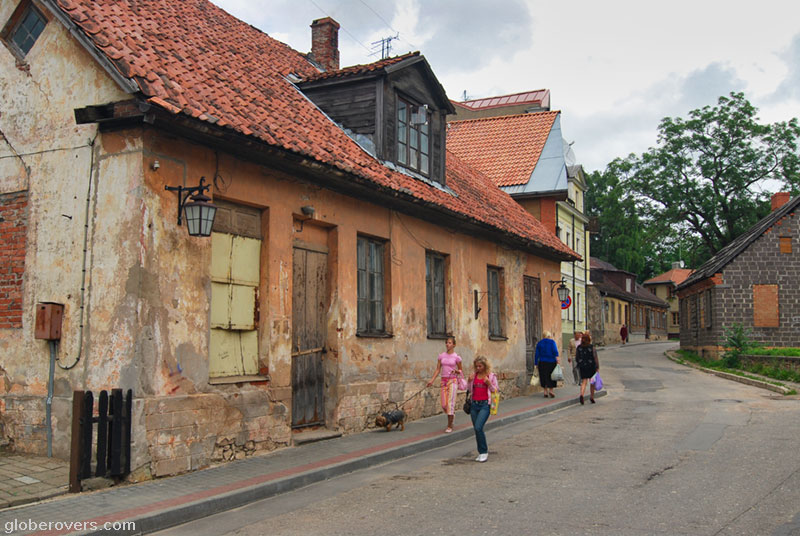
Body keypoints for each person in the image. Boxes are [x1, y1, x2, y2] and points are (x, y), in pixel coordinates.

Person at [426, 336, 463, 433]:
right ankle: (452, 415)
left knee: (450, 404)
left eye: (450, 343)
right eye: (447, 342)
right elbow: (438, 369)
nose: (447, 344)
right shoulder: (441, 356)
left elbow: (460, 370)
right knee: (443, 405)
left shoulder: (457, 357)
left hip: (452, 381)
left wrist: (456, 371)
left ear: (454, 345)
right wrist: (432, 380)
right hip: (443, 381)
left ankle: (450, 425)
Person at [467, 356, 498, 462]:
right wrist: (469, 381)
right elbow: (469, 389)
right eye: (476, 366)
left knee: (478, 427)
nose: (478, 368)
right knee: (476, 429)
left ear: (485, 366)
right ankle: (481, 452)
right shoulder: (474, 376)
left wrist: (489, 383)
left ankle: (484, 451)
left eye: (480, 366)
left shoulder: (491, 376)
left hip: (485, 405)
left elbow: (495, 390)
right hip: (474, 404)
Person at [534, 331, 561, 398]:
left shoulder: (539, 343)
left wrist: (536, 363)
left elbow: (537, 354)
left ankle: (545, 392)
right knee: (551, 376)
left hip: (542, 362)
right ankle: (551, 391)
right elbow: (555, 351)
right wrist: (557, 359)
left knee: (543, 376)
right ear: (549, 336)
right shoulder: (552, 342)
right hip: (551, 362)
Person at [575, 332, 600, 405]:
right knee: (592, 382)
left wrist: (580, 363)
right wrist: (597, 367)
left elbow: (577, 358)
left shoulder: (579, 347)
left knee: (584, 382)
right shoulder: (591, 347)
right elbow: (595, 357)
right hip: (591, 366)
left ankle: (582, 394)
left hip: (583, 366)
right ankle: (592, 397)